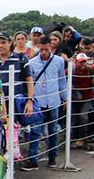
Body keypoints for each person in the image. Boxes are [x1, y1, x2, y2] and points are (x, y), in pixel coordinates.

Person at [21, 36, 68, 170]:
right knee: (35, 131)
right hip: (38, 101)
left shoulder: (58, 61)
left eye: (46, 49)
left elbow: (61, 80)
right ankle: (33, 160)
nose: (43, 52)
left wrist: (65, 98)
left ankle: (52, 157)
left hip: (53, 100)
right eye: (41, 50)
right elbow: (29, 82)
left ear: (50, 47)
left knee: (53, 130)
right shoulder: (32, 62)